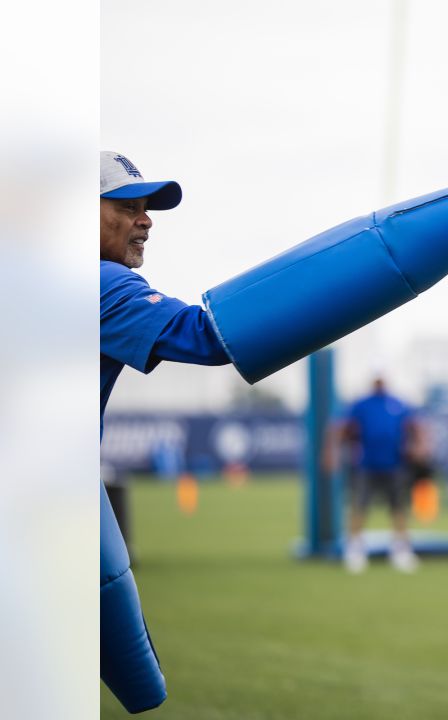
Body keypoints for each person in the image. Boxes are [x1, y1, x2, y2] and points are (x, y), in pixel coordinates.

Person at [99, 150, 232, 712]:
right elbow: (208, 338)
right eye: (128, 207)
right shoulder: (93, 283)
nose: (146, 220)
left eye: (146, 208)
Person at [326, 376, 425, 573]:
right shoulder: (361, 404)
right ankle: (355, 549)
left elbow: (416, 425)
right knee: (359, 506)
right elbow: (339, 427)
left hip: (395, 463)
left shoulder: (398, 403)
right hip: (366, 464)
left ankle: (401, 550)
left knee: (399, 508)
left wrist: (419, 447)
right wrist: (332, 452)